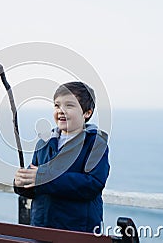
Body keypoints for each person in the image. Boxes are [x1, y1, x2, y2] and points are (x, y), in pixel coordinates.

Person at [14, 81, 110, 233]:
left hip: (77, 230)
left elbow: (92, 185)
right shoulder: (43, 143)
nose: (61, 110)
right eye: (57, 105)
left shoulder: (95, 144)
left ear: (87, 113)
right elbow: (35, 183)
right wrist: (21, 183)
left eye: (69, 105)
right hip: (41, 227)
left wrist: (44, 178)